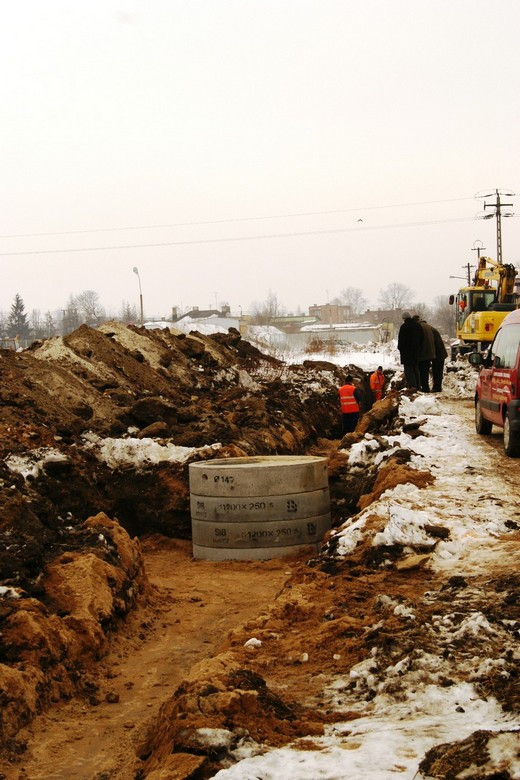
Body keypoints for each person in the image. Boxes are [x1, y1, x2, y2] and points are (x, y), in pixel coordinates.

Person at [397, 311, 423, 390]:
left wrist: (401, 349)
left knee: (409, 371)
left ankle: (412, 387)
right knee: (416, 369)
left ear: (404, 318)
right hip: (416, 352)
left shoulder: (404, 327)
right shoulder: (418, 326)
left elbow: (401, 341)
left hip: (407, 353)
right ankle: (418, 386)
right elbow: (422, 339)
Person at [414, 315, 436, 392]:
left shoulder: (419, 327)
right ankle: (426, 387)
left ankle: (425, 388)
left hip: (423, 353)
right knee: (425, 371)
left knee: (422, 372)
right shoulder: (427, 326)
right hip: (430, 352)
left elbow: (419, 340)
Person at [431, 326, 448, 392]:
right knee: (437, 371)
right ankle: (437, 387)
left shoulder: (430, 331)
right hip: (439, 353)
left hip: (438, 354)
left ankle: (437, 387)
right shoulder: (432, 329)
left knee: (437, 371)